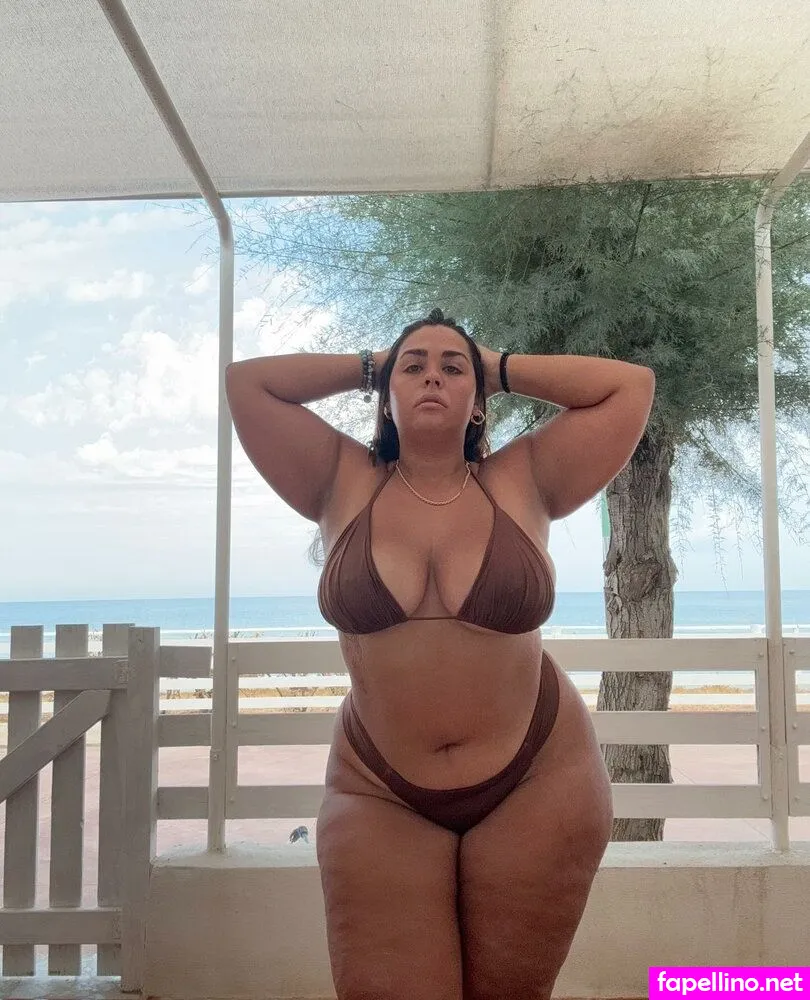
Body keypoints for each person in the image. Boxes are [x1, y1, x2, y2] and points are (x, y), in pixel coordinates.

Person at [225, 307, 655, 1000]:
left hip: (537, 777)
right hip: (379, 787)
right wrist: (372, 364)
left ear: (478, 399)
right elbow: (249, 384)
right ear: (385, 394)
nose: (432, 377)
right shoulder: (339, 477)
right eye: (413, 367)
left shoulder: (525, 477)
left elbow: (628, 387)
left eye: (453, 368)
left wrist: (498, 367)